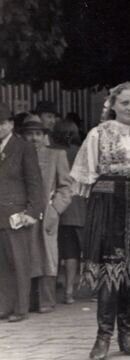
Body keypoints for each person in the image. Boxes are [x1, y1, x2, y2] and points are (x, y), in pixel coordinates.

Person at [70, 82, 130, 360]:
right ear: (113, 105)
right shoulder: (99, 133)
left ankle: (127, 333)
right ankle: (103, 337)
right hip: (109, 202)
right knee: (109, 269)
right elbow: (85, 176)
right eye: (125, 103)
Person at [21, 116, 72, 315]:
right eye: (29, 134)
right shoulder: (17, 156)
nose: (34, 138)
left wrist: (55, 209)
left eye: (38, 134)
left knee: (46, 254)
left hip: (46, 214)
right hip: (21, 213)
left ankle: (46, 301)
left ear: (44, 136)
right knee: (25, 255)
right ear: (22, 136)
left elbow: (66, 187)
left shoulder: (56, 155)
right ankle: (28, 301)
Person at [0, 104, 44, 323]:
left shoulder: (23, 147)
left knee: (19, 262)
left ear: (10, 124)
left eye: (2, 123)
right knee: (2, 264)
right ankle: (4, 306)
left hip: (17, 214)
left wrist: (33, 211)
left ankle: (21, 308)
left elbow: (35, 182)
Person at [51, 118, 87, 304]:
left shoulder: (53, 153)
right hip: (80, 208)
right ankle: (69, 291)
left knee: (59, 250)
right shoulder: (80, 153)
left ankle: (55, 285)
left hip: (58, 207)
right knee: (76, 253)